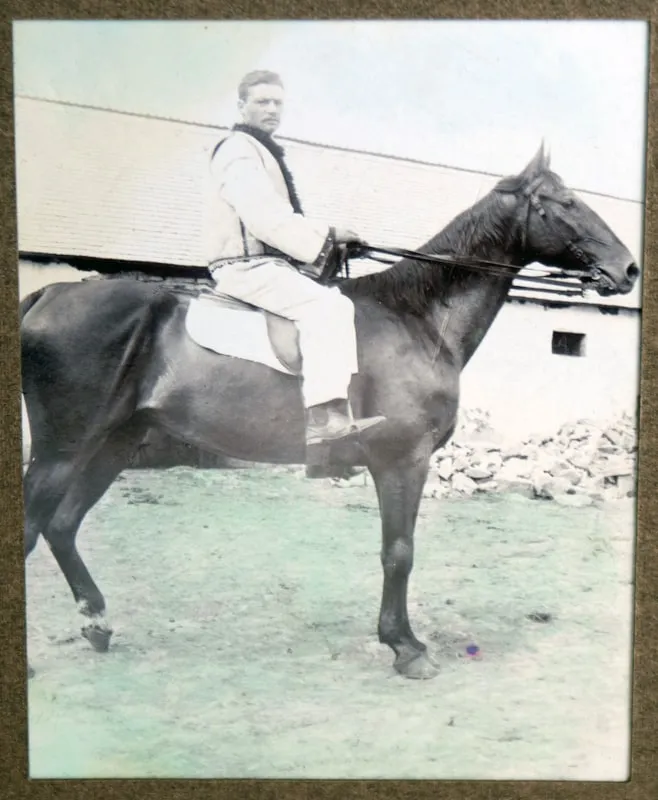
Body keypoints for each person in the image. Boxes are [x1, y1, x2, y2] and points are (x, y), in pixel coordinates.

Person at [204, 69, 386, 461]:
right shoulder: (238, 148)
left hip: (264, 265)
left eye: (278, 103)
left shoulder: (259, 150)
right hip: (246, 266)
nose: (272, 109)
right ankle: (325, 422)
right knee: (331, 306)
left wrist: (332, 236)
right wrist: (328, 235)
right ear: (241, 106)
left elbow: (280, 220)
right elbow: (264, 217)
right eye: (262, 101)